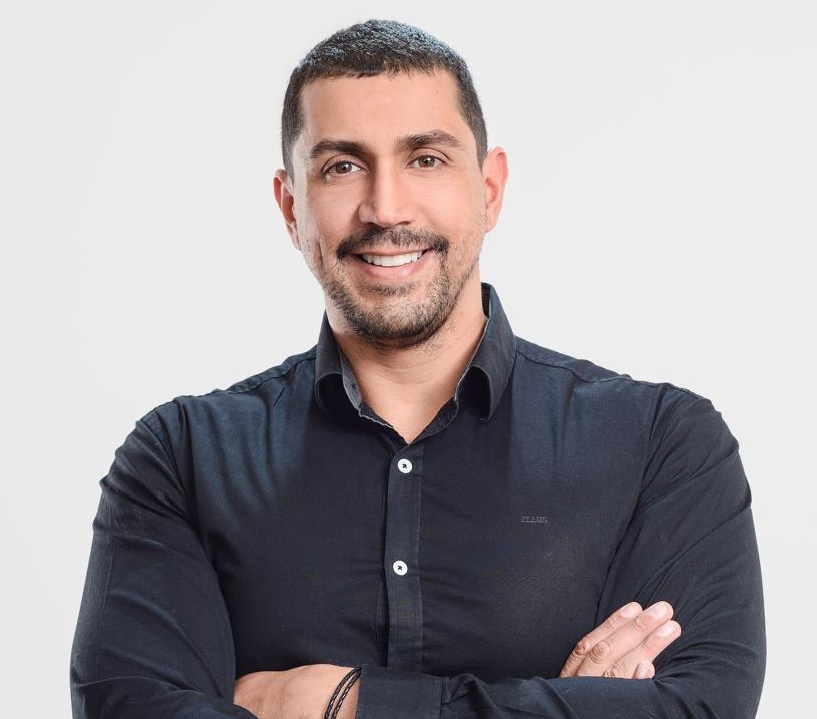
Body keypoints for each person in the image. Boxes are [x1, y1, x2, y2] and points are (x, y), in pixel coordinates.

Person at [70, 18, 766, 719]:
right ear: (290, 207)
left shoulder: (660, 445)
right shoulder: (183, 457)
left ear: (489, 189)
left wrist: (340, 703)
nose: (386, 208)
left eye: (425, 159)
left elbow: (701, 708)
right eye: (342, 166)